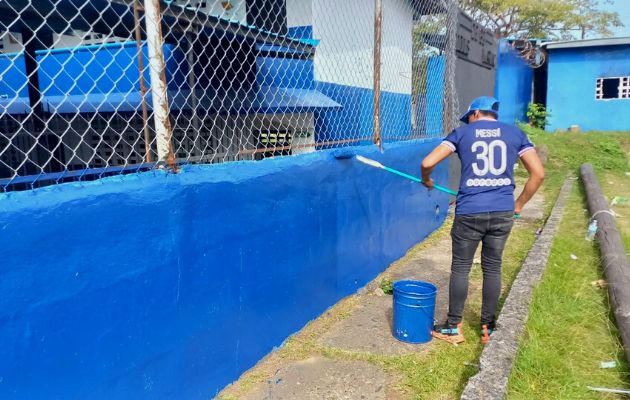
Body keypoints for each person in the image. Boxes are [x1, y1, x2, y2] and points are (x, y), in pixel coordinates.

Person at [420, 96, 545, 345]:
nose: (469, 121)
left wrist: (427, 179)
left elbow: (427, 162)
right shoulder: (515, 134)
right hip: (502, 212)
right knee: (492, 267)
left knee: (461, 268)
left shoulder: (462, 134)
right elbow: (538, 174)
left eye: (469, 118)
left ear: (475, 113)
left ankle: (453, 326)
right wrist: (517, 205)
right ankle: (488, 327)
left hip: (470, 212)